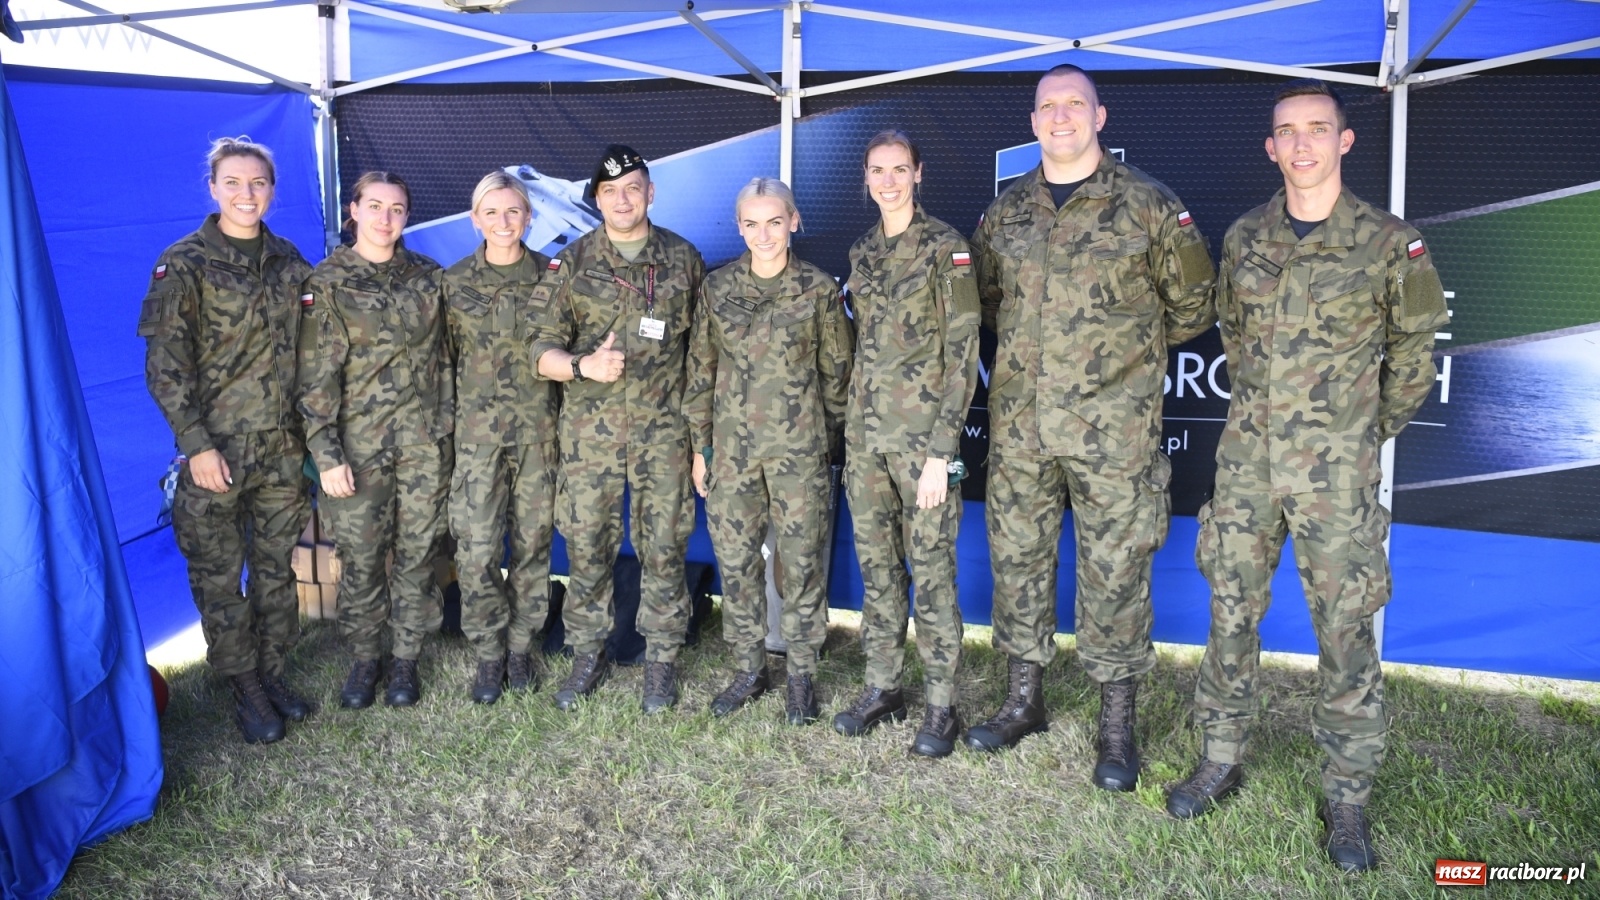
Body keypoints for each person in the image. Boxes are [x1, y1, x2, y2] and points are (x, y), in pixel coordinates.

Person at [1166, 79, 1447, 874]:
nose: (1302, 145)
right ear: (1271, 145)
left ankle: (1348, 797)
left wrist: (1355, 436)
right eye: (1287, 132)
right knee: (1230, 613)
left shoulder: (1390, 243)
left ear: (1344, 141)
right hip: (1248, 465)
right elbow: (1230, 332)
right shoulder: (1246, 236)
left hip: (1337, 479)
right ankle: (1219, 758)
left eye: (1317, 129)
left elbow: (1413, 363)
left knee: (1346, 631)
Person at [968, 64, 1216, 789]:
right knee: (1018, 563)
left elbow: (1194, 308)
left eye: (1075, 104)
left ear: (1100, 117)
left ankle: (1116, 729)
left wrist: (1120, 368)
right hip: (1022, 430)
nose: (1062, 116)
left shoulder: (1148, 206)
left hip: (1116, 435)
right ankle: (1023, 702)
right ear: (1034, 119)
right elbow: (990, 301)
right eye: (1049, 106)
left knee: (1114, 575)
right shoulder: (1006, 213)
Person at [138, 137, 314, 744]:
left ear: (273, 190)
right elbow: (165, 365)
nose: (247, 194)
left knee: (274, 571)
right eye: (233, 182)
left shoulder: (289, 261)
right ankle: (242, 684)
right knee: (219, 574)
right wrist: (196, 444)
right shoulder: (183, 262)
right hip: (216, 450)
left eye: (258, 183)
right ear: (213, 188)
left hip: (282, 450)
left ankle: (270, 672)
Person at [530, 145, 705, 714]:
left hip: (663, 435)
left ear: (651, 192)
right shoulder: (572, 262)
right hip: (591, 436)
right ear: (597, 200)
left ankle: (660, 659)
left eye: (633, 186)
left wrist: (700, 438)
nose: (622, 198)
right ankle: (588, 652)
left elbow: (703, 354)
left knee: (663, 547)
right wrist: (583, 365)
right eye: (610, 191)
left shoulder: (684, 259)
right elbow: (539, 351)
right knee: (588, 548)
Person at [831, 130, 981, 758]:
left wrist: (941, 455)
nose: (888, 181)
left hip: (923, 446)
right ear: (865, 179)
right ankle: (883, 685)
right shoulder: (861, 251)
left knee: (934, 574)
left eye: (899, 170)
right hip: (867, 442)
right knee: (878, 570)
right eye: (877, 171)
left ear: (919, 174)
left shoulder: (948, 249)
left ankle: (942, 704)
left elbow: (963, 355)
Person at [683, 177, 853, 725]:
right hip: (732, 456)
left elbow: (837, 375)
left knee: (801, 565)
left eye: (774, 222)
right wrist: (701, 446)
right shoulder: (717, 288)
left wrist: (828, 447)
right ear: (739, 227)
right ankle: (749, 669)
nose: (764, 234)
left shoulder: (819, 289)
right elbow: (700, 372)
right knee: (736, 565)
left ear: (793, 222)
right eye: (752, 224)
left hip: (798, 454)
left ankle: (801, 676)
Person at [297, 171, 453, 711]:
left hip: (423, 444)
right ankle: (367, 658)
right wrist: (326, 454)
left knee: (417, 554)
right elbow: (316, 377)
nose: (386, 218)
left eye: (397, 209)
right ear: (354, 211)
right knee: (361, 558)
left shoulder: (428, 278)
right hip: (359, 450)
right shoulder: (328, 280)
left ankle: (406, 657)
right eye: (376, 207)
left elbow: (450, 359)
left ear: (407, 216)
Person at [443, 171, 558, 705]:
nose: (503, 222)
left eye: (513, 211)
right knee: (478, 549)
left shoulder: (554, 277)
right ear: (475, 219)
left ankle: (520, 646)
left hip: (539, 437)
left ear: (529, 216)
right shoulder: (454, 283)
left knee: (534, 545)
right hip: (477, 442)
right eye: (492, 213)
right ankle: (489, 654)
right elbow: (441, 362)